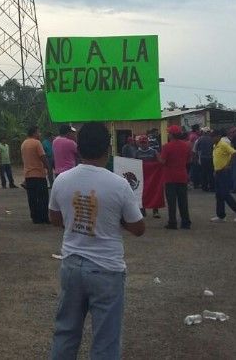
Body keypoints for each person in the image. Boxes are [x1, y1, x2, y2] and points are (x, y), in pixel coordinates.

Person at [48, 122, 145, 359]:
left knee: (65, 332)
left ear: (79, 148)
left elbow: (54, 218)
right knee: (105, 340)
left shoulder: (62, 180)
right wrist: (115, 219)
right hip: (106, 268)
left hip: (71, 264)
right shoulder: (119, 184)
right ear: (107, 149)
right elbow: (138, 228)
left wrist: (77, 219)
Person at [211, 128, 236, 222]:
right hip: (218, 171)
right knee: (219, 195)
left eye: (214, 137)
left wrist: (228, 165)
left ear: (218, 136)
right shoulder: (215, 145)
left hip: (224, 172)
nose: (212, 138)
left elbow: (234, 153)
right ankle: (221, 215)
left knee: (224, 193)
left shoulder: (223, 144)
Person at [159, 125, 191, 230]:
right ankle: (185, 222)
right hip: (182, 175)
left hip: (170, 177)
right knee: (183, 201)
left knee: (171, 202)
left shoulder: (167, 147)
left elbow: (162, 161)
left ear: (172, 135)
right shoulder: (186, 146)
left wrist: (157, 156)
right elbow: (189, 160)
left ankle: (172, 222)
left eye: (169, 133)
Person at [20, 125, 49, 224]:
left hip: (28, 175)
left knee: (32, 197)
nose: (39, 134)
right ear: (34, 133)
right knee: (43, 197)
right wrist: (48, 167)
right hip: (38, 174)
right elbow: (42, 157)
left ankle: (35, 217)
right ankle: (44, 217)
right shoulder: (37, 143)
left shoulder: (24, 143)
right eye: (38, 132)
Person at [134, 135, 161, 219]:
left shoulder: (154, 151)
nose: (143, 144)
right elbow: (134, 164)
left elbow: (159, 162)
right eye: (141, 143)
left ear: (148, 143)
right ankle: (142, 210)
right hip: (141, 177)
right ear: (139, 143)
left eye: (144, 142)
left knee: (154, 192)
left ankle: (155, 211)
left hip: (153, 177)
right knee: (142, 193)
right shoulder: (137, 153)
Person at [194, 127, 215, 191]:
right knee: (210, 173)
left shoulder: (199, 139)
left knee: (203, 173)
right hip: (211, 158)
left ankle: (204, 187)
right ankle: (212, 186)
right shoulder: (212, 139)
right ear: (208, 132)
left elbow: (195, 149)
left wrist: (196, 157)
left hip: (203, 158)